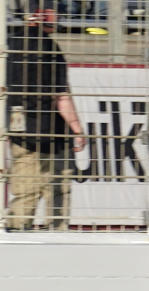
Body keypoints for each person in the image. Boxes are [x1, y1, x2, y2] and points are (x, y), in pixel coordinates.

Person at [6, 0, 86, 231]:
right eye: (55, 13)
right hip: (53, 133)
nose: (59, 17)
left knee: (23, 194)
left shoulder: (10, 45)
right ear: (41, 14)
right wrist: (77, 130)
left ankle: (16, 240)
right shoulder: (50, 48)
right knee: (58, 193)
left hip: (20, 132)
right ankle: (57, 242)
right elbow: (61, 96)